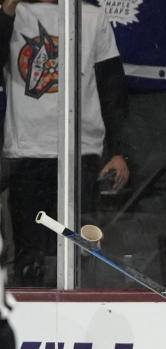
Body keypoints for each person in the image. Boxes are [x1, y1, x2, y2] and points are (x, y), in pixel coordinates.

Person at [0, 0, 129, 287]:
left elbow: (112, 88)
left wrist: (118, 151)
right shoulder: (13, 13)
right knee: (30, 255)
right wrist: (6, 14)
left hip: (81, 151)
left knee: (78, 250)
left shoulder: (92, 16)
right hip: (27, 150)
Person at [97, 0, 166, 204]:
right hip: (91, 78)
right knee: (101, 181)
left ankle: (154, 233)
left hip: (155, 81)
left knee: (153, 179)